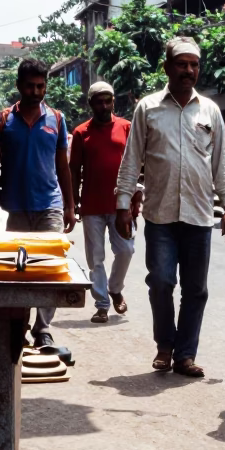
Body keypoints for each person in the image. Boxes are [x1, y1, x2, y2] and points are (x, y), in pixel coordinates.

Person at [114, 37, 225, 377]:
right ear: (167, 67)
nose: (188, 71)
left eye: (193, 65)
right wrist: (123, 203)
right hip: (160, 215)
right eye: (181, 64)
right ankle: (164, 347)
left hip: (199, 215)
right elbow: (131, 159)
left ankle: (184, 354)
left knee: (196, 289)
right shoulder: (148, 108)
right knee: (162, 282)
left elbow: (221, 164)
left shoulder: (209, 111)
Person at [0, 57, 75, 351]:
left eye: (41, 86)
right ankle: (18, 324)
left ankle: (43, 329)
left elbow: (63, 167)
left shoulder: (57, 119)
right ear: (19, 85)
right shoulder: (3, 120)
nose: (36, 91)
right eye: (31, 86)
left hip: (50, 206)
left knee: (51, 270)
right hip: (15, 208)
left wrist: (71, 205)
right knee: (18, 271)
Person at [69, 81, 137, 323]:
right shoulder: (80, 133)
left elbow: (137, 165)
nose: (104, 105)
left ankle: (115, 288)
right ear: (91, 103)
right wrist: (72, 203)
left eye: (108, 100)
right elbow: (74, 170)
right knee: (95, 258)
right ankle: (102, 304)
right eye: (99, 101)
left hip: (121, 206)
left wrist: (135, 199)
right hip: (91, 206)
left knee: (126, 250)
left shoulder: (127, 127)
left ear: (113, 101)